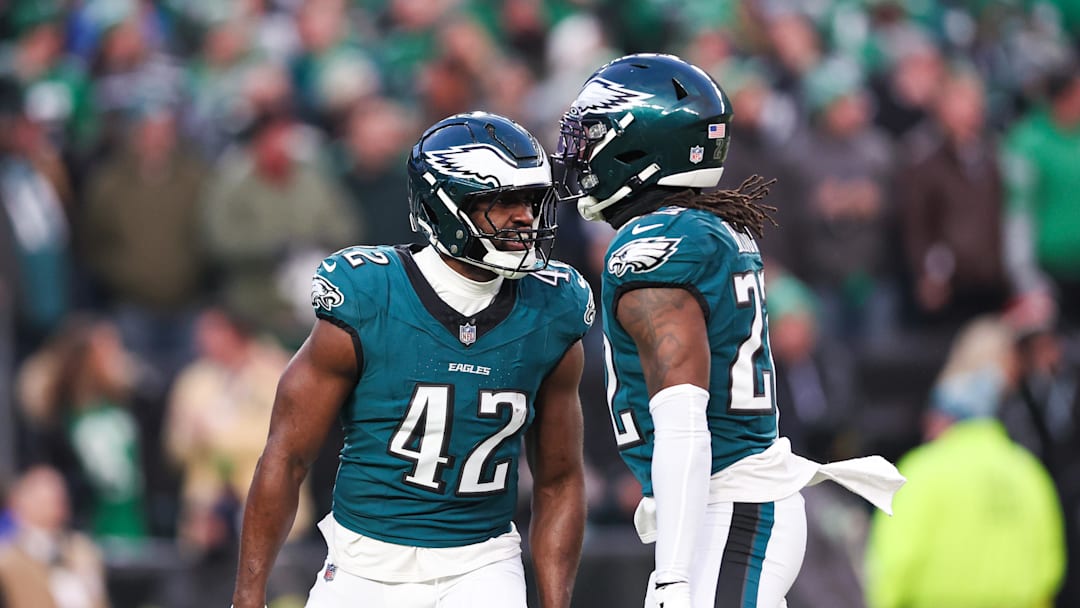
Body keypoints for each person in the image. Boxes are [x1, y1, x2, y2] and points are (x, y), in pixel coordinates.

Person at [550, 53, 904, 608]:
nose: (580, 153)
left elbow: (685, 423)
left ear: (642, 144)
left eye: (594, 135)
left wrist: (671, 575)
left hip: (728, 505)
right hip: (728, 505)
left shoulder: (657, 247)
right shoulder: (707, 228)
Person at [232, 111, 594, 608]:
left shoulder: (553, 309)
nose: (524, 217)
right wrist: (247, 596)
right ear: (444, 206)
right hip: (363, 561)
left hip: (482, 561)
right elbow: (286, 456)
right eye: (503, 200)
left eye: (530, 200)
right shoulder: (370, 295)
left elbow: (559, 479)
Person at [864, 316, 1066, 608]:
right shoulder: (1029, 474)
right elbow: (1049, 571)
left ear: (943, 415)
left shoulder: (921, 472)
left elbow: (890, 572)